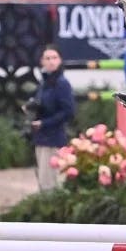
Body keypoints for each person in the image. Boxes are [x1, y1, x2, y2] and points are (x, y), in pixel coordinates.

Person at [26, 44, 75, 191]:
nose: (51, 61)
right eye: (47, 58)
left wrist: (44, 123)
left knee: (50, 184)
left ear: (60, 60)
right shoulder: (44, 83)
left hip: (53, 140)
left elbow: (69, 111)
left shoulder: (62, 83)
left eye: (54, 58)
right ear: (42, 61)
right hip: (41, 138)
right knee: (43, 181)